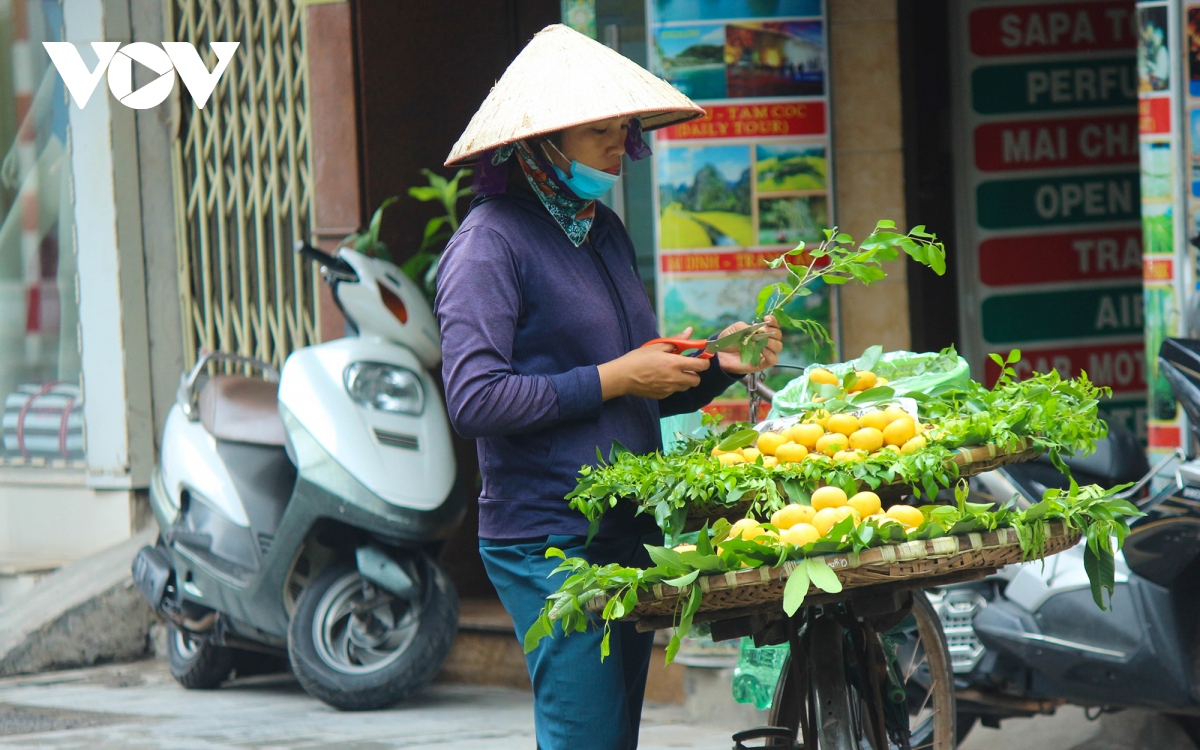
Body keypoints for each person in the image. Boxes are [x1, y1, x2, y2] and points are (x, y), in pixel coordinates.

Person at [435, 24, 784, 750]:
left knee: (612, 736)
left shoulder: (603, 230)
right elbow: (474, 400)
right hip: (548, 538)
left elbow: (640, 379)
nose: (614, 147)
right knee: (585, 734)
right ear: (537, 144)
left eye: (620, 129)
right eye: (595, 132)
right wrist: (614, 376)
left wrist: (719, 366)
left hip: (624, 525)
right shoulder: (488, 245)